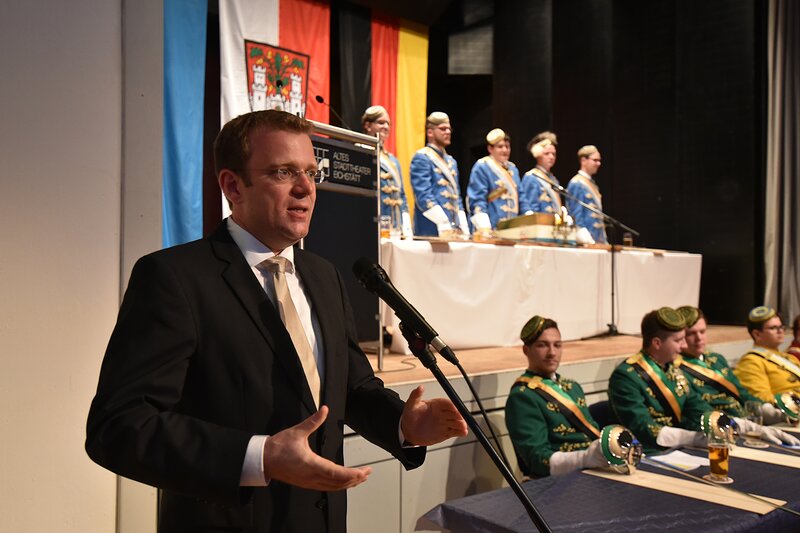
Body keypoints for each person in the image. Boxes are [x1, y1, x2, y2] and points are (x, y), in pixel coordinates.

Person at [85, 110, 467, 533]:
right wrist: (259, 456)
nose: (305, 188)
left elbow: (351, 390)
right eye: (284, 172)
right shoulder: (175, 278)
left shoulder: (324, 275)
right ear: (233, 186)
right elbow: (119, 427)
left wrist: (403, 424)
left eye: (310, 171)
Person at [608, 307, 797, 455]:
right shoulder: (627, 376)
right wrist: (695, 439)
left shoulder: (671, 369)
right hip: (652, 455)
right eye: (679, 340)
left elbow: (700, 410)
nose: (683, 346)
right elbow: (644, 428)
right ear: (657, 343)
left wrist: (747, 427)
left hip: (683, 451)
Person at [505, 316, 610, 477]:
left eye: (557, 345)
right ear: (526, 350)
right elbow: (538, 460)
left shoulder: (573, 387)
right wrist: (584, 458)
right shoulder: (522, 397)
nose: (552, 353)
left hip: (593, 472)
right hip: (557, 484)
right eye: (542, 345)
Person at [676, 306, 784, 423]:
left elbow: (742, 393)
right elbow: (696, 410)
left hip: (748, 420)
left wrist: (771, 412)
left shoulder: (717, 359)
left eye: (702, 331)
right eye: (691, 334)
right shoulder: (676, 368)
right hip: (720, 427)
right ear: (680, 336)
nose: (699, 338)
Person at [409, 112, 470, 237]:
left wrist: (463, 224)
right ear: (430, 132)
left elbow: (456, 196)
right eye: (442, 129)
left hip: (453, 228)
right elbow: (423, 195)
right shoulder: (422, 157)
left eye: (449, 129)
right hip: (432, 228)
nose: (448, 132)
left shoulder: (451, 161)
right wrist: (442, 222)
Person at [361, 105, 412, 238]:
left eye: (388, 123)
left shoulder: (394, 161)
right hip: (372, 225)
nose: (386, 127)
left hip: (396, 226)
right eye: (381, 122)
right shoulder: (360, 152)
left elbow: (401, 195)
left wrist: (406, 225)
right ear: (368, 125)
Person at [733, 306, 800, 403]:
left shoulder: (790, 357)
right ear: (757, 334)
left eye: (781, 327)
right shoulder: (751, 362)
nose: (780, 331)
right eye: (774, 328)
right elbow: (762, 399)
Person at [466, 128, 520, 232]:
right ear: (490, 149)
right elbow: (477, 198)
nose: (505, 150)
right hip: (491, 225)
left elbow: (521, 196)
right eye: (500, 147)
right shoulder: (482, 166)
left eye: (507, 147)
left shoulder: (513, 169)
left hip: (512, 228)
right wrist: (484, 226)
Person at [566, 145, 607, 244]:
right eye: (595, 160)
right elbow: (576, 215)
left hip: (598, 238)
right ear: (583, 160)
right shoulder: (577, 183)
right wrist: (585, 238)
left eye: (599, 160)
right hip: (586, 240)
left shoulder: (592, 183)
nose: (598, 163)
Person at [519, 131, 562, 216]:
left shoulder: (554, 180)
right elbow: (531, 209)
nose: (551, 157)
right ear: (538, 155)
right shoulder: (531, 177)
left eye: (553, 154)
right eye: (547, 153)